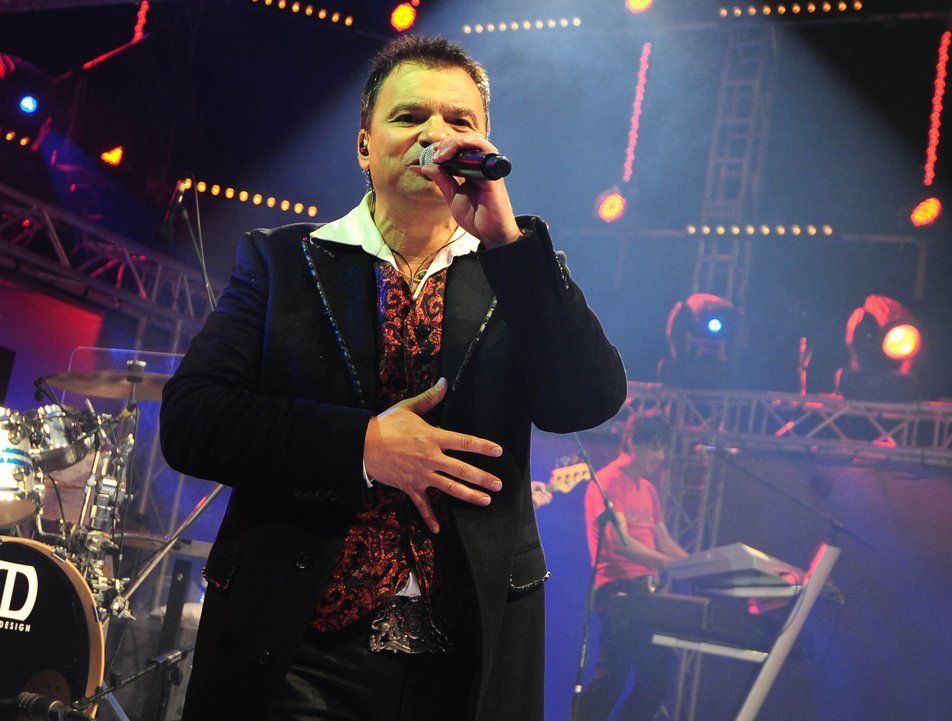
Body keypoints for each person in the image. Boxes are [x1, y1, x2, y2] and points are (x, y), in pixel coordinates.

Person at [159, 35, 626, 721]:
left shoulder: (516, 270)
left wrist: (507, 243)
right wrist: (362, 446)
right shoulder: (284, 262)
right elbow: (192, 421)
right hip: (298, 650)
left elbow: (585, 400)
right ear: (364, 146)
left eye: (459, 121)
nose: (436, 135)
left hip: (466, 656)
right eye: (410, 117)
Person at [576, 413, 689, 721]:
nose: (661, 457)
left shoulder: (648, 489)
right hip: (619, 592)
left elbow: (664, 541)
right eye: (654, 448)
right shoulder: (609, 481)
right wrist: (670, 564)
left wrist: (697, 565)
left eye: (663, 449)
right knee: (612, 679)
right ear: (632, 443)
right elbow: (620, 544)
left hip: (646, 594)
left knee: (655, 682)